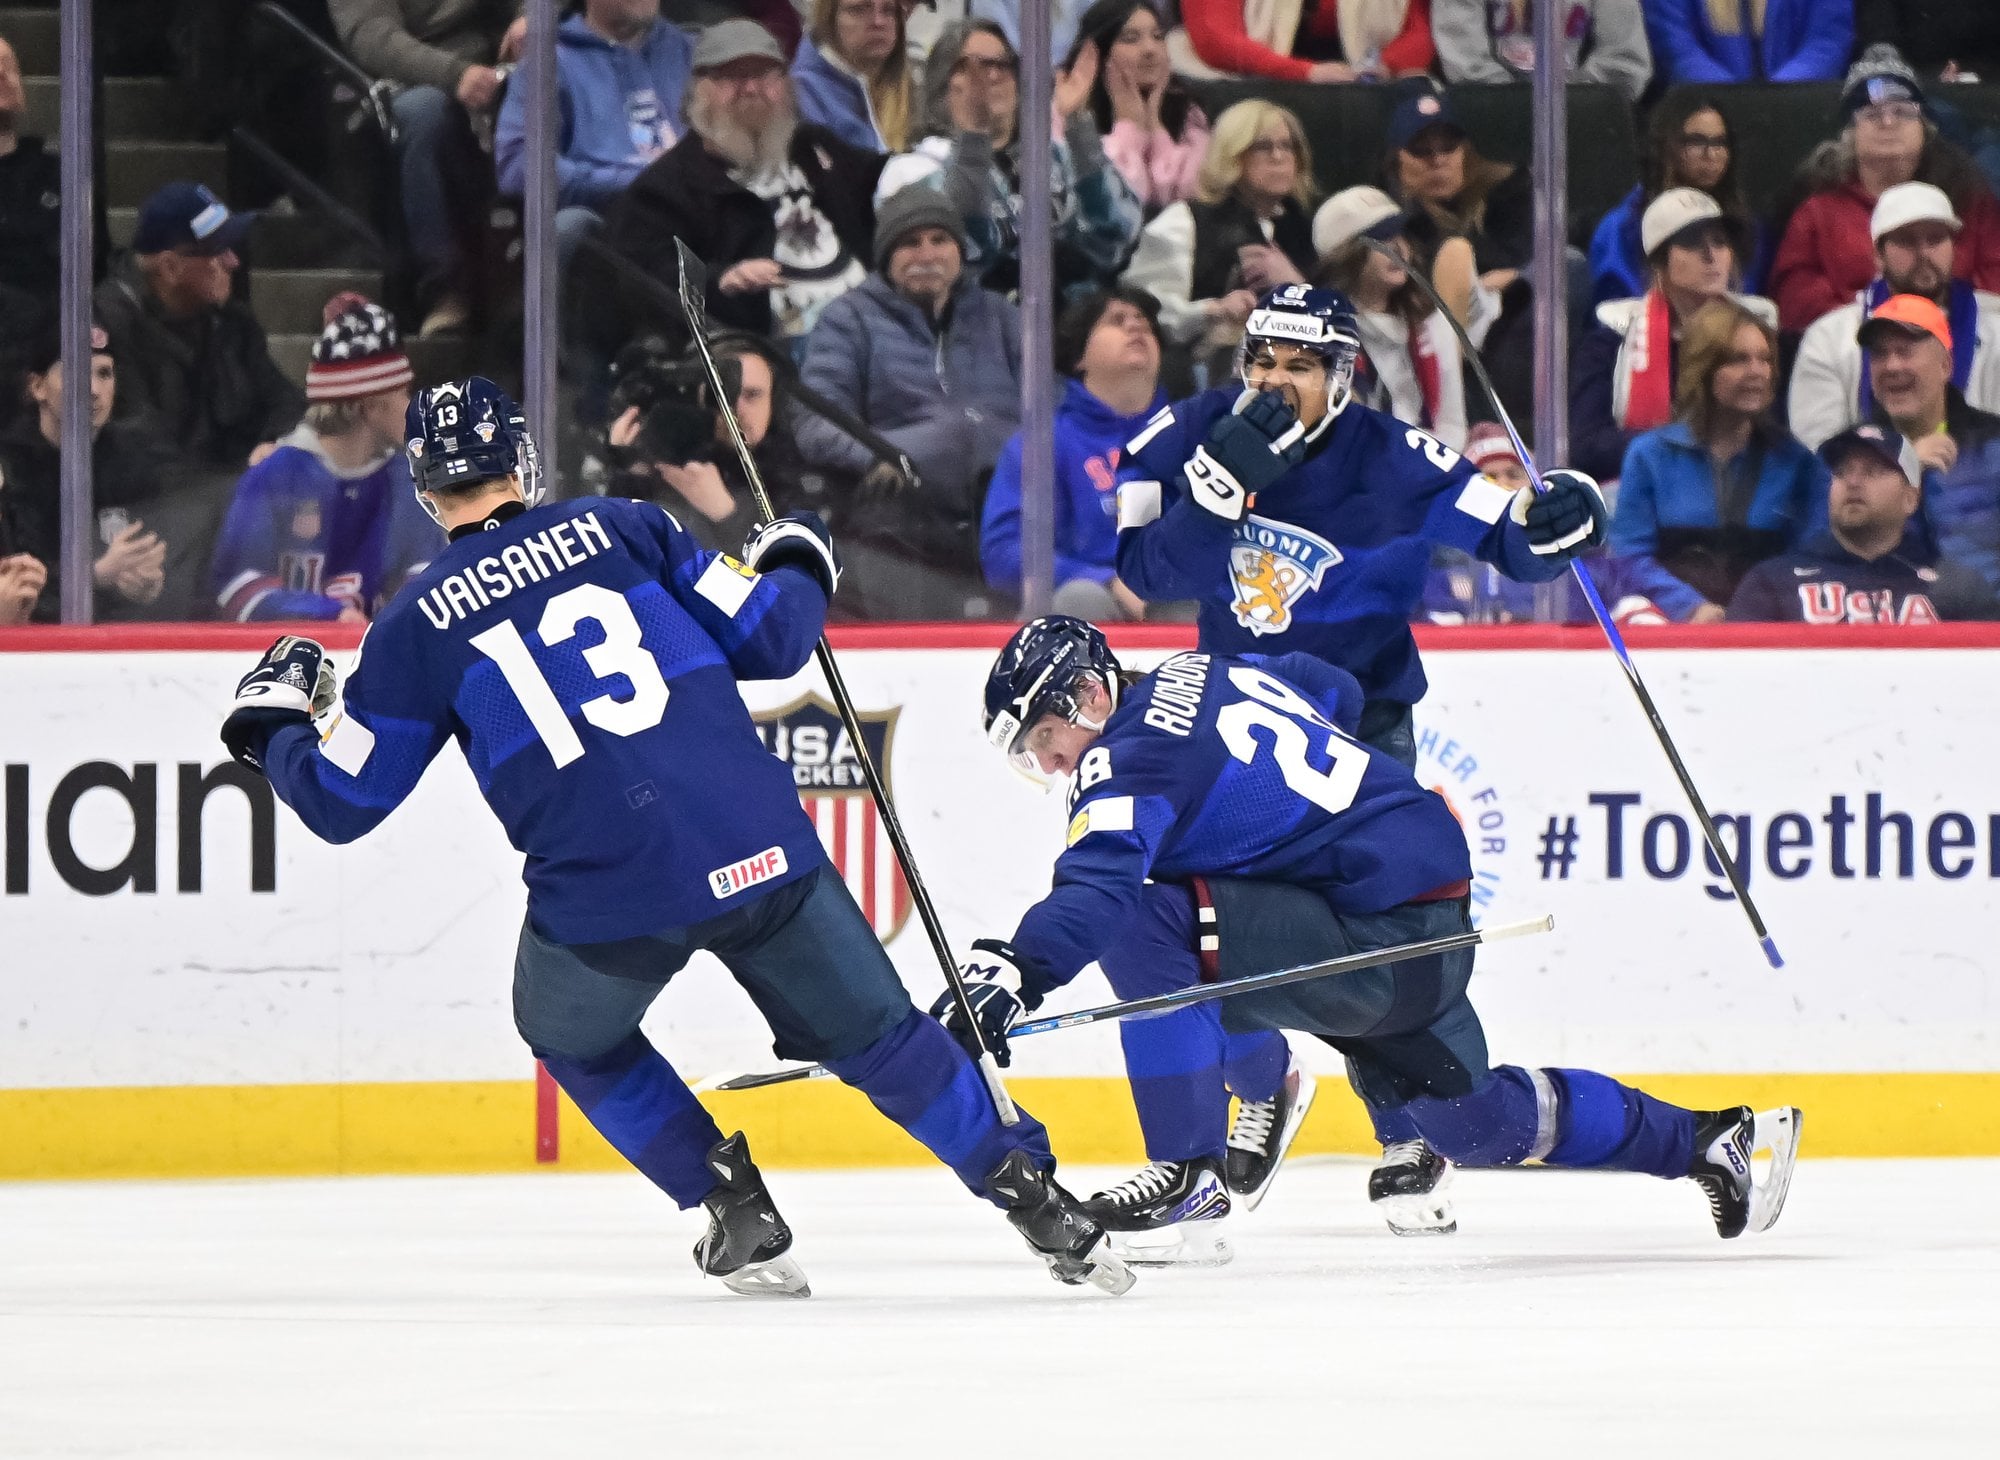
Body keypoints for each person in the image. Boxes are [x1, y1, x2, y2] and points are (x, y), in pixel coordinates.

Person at [216, 377, 1135, 1298]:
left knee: (569, 1033)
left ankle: (730, 1201)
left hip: (610, 894)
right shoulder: (624, 528)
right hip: (758, 847)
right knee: (884, 1039)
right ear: (520, 461)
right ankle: (1033, 1195)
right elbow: (775, 637)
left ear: (424, 487)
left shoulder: (413, 626)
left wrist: (275, 725)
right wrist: (797, 557)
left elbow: (344, 801)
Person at [939, 616, 1802, 1256]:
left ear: (1091, 696)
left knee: (1143, 917)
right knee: (1477, 1125)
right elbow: (1328, 687)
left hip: (1377, 938)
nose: (1051, 764)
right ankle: (1710, 1140)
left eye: (1046, 738)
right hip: (1410, 909)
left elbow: (1097, 890)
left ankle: (1190, 1170)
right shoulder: (1196, 668)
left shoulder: (1125, 761)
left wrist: (1015, 971)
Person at [1106, 284, 1607, 1235]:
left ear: (1342, 378)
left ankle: (1409, 1130)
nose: (1274, 381)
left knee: (1378, 937)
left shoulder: (1396, 457)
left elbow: (1508, 537)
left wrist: (1557, 529)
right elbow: (1143, 574)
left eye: (1300, 366)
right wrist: (1213, 492)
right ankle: (1263, 1084)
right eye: (1262, 361)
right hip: (1231, 733)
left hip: (1360, 734)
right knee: (1208, 927)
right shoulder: (1188, 434)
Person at [795, 185, 1021, 618]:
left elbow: (1051, 406)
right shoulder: (848, 318)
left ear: (960, 251)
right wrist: (883, 456)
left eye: (940, 240)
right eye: (910, 242)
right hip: (909, 511)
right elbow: (816, 422)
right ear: (886, 256)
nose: (927, 254)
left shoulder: (1000, 316)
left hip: (1004, 497)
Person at [596, 20, 881, 350]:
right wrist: (721, 280)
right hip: (774, 351)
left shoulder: (813, 148)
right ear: (698, 90)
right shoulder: (663, 190)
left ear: (786, 85)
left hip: (873, 326)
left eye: (765, 75)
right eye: (732, 77)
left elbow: (880, 181)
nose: (751, 88)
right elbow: (644, 285)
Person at [875, 19, 1143, 298]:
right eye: (972, 67)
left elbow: (1117, 236)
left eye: (1001, 64)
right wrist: (973, 139)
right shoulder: (912, 170)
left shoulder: (1057, 155)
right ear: (942, 84)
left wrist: (1077, 123)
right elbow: (962, 256)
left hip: (1080, 314)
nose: (992, 76)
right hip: (982, 318)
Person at [210, 296, 437, 622]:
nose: (413, 406)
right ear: (370, 406)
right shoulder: (274, 476)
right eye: (404, 392)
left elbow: (431, 585)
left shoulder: (410, 482)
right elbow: (237, 589)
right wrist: (330, 618)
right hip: (287, 652)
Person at [1609, 298, 1827, 608]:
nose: (1757, 372)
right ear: (1703, 368)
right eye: (1738, 359)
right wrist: (1688, 607)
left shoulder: (1798, 463)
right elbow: (1628, 558)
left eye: (1765, 359)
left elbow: (1811, 563)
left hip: (1767, 624)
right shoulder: (1650, 456)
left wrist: (1756, 611)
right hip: (1669, 625)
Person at [1770, 45, 2000, 335]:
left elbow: (1995, 281)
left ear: (1925, 128)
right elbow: (1796, 300)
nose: (1888, 122)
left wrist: (1935, 320)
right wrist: (1876, 323)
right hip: (1853, 344)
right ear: (1850, 133)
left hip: (1963, 341)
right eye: (1872, 114)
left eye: (1902, 112)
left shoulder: (1969, 199)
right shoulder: (1817, 210)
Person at [329, 0, 526, 337]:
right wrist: (455, 74)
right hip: (403, 80)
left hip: (499, 60)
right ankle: (444, 291)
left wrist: (530, 18)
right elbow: (372, 36)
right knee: (425, 113)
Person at [94, 183, 305, 482]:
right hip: (161, 500)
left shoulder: (232, 321)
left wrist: (274, 444)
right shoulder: (108, 329)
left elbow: (286, 401)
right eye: (218, 251)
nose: (233, 262)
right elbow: (141, 452)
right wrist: (239, 485)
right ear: (170, 267)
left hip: (234, 488)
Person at [980, 285, 1166, 617]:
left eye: (1145, 323)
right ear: (1080, 357)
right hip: (1091, 608)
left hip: (1180, 601)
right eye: (1116, 320)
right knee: (1080, 600)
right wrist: (1107, 581)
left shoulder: (1195, 438)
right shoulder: (1042, 444)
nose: (1136, 326)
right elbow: (1004, 553)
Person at [1421, 424, 1723, 624]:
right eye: (1488, 478)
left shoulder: (1586, 571)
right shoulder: (1439, 578)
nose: (1502, 485)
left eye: (1513, 474)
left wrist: (1689, 609)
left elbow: (1639, 602)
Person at [1570, 188, 1773, 484]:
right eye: (1691, 243)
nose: (1711, 255)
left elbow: (1778, 434)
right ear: (1659, 262)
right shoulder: (1612, 339)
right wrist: (1686, 443)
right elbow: (1586, 446)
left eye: (1719, 241)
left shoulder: (1760, 335)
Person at [1789, 182, 2000, 450]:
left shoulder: (1996, 333)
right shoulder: (1828, 338)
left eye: (1935, 239)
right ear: (1878, 254)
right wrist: (1905, 462)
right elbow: (1818, 452)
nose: (1924, 253)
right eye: (1906, 241)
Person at [1120, 99, 1316, 385]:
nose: (1279, 157)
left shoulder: (1304, 230)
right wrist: (1212, 310)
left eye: (1287, 146)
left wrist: (1295, 285)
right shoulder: (1185, 221)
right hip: (1201, 381)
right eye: (1263, 146)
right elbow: (1143, 308)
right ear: (1232, 154)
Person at [493, 0, 693, 275]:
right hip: (611, 229)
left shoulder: (694, 51)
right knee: (570, 226)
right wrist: (637, 182)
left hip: (703, 223)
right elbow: (519, 167)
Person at [0, 318, 179, 623]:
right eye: (75, 372)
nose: (93, 389)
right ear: (38, 386)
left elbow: (169, 565)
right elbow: (16, 589)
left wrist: (148, 584)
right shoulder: (10, 469)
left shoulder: (133, 461)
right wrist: (94, 575)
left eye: (104, 374)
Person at [1728, 423, 1999, 623]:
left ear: (1910, 498)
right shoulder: (1772, 582)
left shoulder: (1958, 587)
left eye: (1872, 471)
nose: (1853, 481)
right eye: (1842, 472)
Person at [1853, 293, 2000, 591]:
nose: (1892, 366)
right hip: (1886, 611)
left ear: (1945, 365)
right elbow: (1827, 553)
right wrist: (1903, 470)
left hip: (1984, 613)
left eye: (1905, 351)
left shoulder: (1993, 443)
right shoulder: (1848, 453)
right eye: (1879, 354)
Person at [1311, 184, 1468, 450]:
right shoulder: (1319, 334)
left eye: (1401, 235)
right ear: (1345, 255)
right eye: (1381, 238)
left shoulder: (1432, 322)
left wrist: (1415, 463)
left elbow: (1453, 426)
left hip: (1426, 463)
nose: (1398, 247)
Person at [1380, 84, 1534, 343]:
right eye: (1421, 150)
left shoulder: (1507, 192)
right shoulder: (1389, 216)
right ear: (1397, 160)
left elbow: (1528, 254)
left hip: (1510, 324)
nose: (1438, 160)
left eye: (1448, 147)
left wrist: (1519, 276)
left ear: (1465, 151)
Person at [1587, 90, 1771, 306]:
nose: (1711, 155)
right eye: (1696, 142)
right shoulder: (1622, 227)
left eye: (1720, 142)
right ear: (1666, 146)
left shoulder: (1745, 226)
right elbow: (1615, 308)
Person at [1063, 0, 1209, 217]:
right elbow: (1117, 206)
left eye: (1158, 37)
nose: (1150, 49)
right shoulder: (1072, 115)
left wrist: (1156, 127)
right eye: (1130, 39)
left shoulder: (1190, 113)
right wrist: (1128, 128)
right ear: (1097, 53)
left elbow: (1182, 198)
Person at [1433, 0, 1652, 103]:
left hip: (1583, 117)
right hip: (1490, 117)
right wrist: (1516, 105)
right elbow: (1465, 63)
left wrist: (1571, 103)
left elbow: (1623, 63)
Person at [1171, 0, 1437, 83]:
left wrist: (1386, 65)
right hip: (1260, 78)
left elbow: (1421, 31)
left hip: (1371, 80)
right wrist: (1306, 73)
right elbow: (1214, 38)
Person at [790, 0, 918, 154]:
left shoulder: (899, 80)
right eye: (859, 9)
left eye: (889, 10)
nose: (878, 22)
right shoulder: (802, 95)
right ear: (829, 18)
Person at [1640, 0, 1850, 85]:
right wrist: (1733, 98)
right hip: (1701, 107)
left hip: (1800, 105)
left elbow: (1828, 39)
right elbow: (1674, 45)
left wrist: (1780, 94)